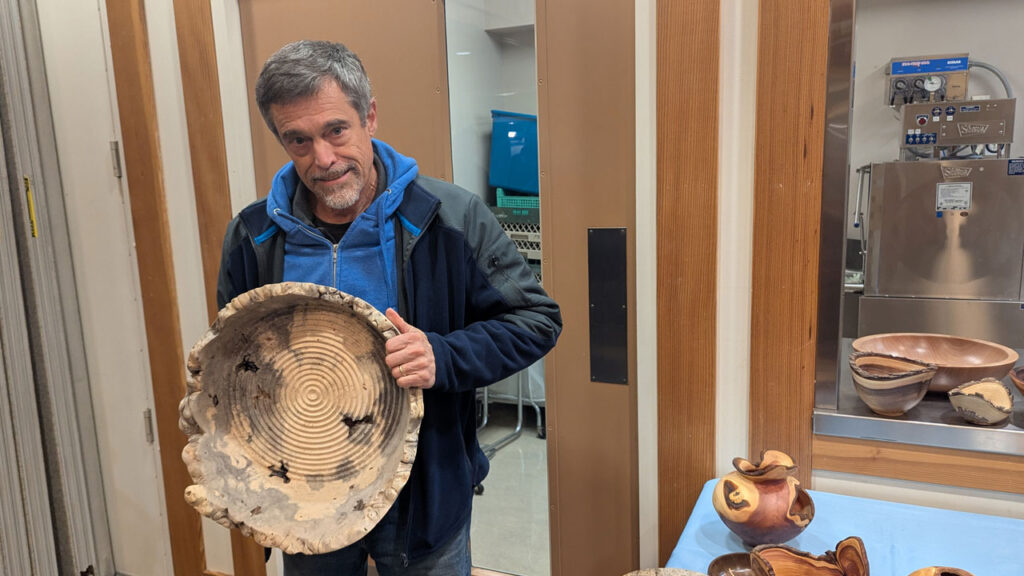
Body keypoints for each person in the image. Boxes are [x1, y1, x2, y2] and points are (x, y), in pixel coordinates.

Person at [216, 40, 561, 575]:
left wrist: (441, 356)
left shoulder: (450, 216)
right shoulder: (252, 235)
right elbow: (236, 361)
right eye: (298, 141)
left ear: (369, 116)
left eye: (336, 130)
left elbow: (536, 321)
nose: (322, 159)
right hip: (308, 496)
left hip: (424, 494)